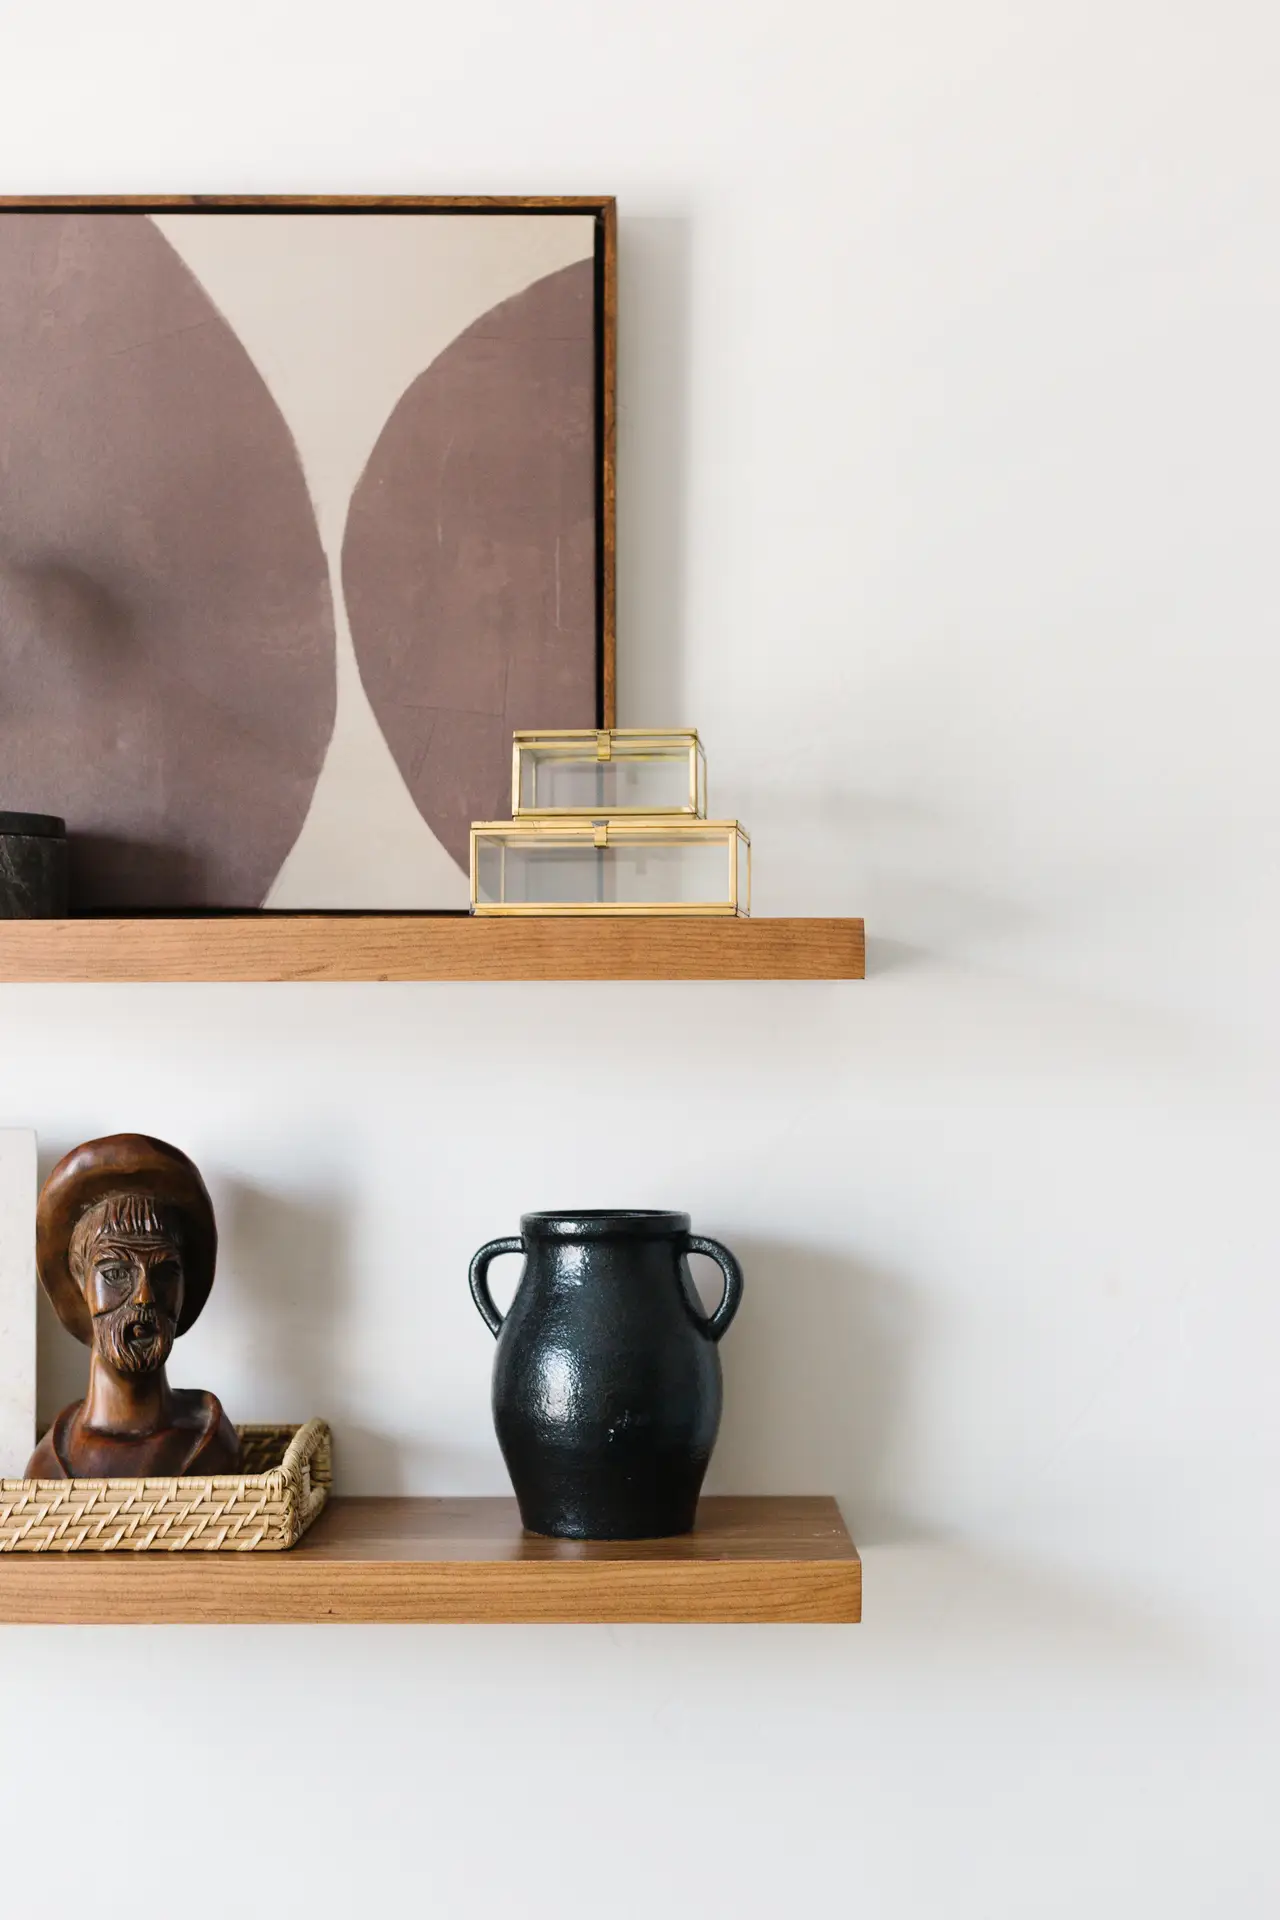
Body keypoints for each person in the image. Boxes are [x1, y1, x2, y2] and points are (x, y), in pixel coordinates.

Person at [26, 1134, 241, 1479]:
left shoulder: (209, 1442)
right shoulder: (52, 1464)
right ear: (80, 1285)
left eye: (165, 1272)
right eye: (115, 1274)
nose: (144, 1296)